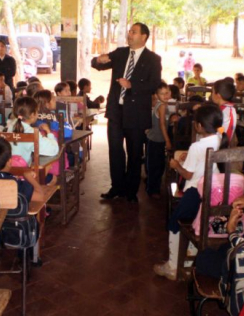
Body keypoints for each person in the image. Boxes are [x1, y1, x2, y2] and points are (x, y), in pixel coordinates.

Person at [91, 22, 161, 203]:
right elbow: (98, 65)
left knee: (134, 153)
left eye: (134, 32)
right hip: (116, 111)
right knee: (115, 151)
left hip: (137, 114)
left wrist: (132, 85)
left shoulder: (153, 59)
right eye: (129, 31)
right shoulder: (120, 53)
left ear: (144, 36)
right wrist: (99, 60)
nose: (129, 34)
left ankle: (131, 191)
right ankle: (117, 187)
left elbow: (154, 84)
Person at [153, 104, 226, 280]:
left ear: (199, 126)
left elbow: (188, 174)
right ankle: (187, 263)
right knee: (197, 225)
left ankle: (173, 266)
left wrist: (175, 165)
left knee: (174, 223)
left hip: (196, 192)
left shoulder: (197, 146)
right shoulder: (221, 138)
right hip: (216, 191)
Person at [6, 96, 59, 166]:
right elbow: (54, 150)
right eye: (37, 111)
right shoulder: (31, 133)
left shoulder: (10, 125)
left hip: (8, 168)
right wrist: (49, 132)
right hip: (24, 172)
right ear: (32, 115)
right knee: (52, 174)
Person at [146, 82, 171, 199]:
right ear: (156, 95)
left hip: (155, 139)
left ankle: (152, 187)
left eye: (167, 92)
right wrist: (167, 141)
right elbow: (162, 125)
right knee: (156, 166)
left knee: (156, 165)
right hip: (157, 140)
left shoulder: (161, 104)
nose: (165, 96)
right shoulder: (162, 106)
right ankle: (152, 190)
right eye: (162, 94)